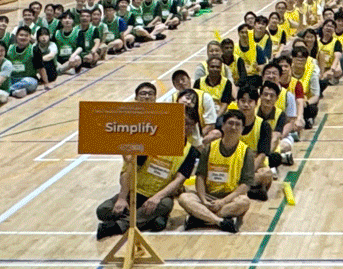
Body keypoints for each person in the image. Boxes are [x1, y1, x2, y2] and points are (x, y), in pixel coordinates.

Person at [97, 82, 197, 237]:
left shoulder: (191, 151)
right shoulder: (152, 139)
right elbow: (130, 168)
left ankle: (119, 226)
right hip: (136, 191)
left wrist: (156, 197)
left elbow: (178, 181)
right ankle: (149, 219)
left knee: (165, 205)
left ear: (193, 126)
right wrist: (122, 198)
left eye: (188, 124)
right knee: (103, 211)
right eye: (181, 121)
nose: (184, 126)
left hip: (158, 195)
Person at [176, 107, 253, 232]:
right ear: (223, 126)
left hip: (230, 198)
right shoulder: (210, 147)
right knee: (184, 198)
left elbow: (245, 185)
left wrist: (222, 202)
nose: (233, 127)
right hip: (208, 197)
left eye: (237, 124)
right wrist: (203, 199)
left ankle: (200, 217)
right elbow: (200, 176)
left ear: (242, 129)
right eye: (230, 123)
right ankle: (219, 220)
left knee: (244, 202)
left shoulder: (246, 152)